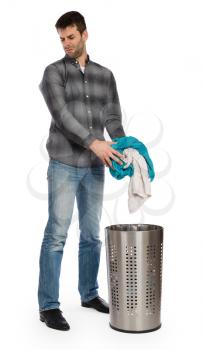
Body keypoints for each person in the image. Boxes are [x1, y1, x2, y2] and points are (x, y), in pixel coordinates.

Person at [38, 11, 126, 331]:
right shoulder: (53, 73)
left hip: (95, 167)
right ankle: (48, 305)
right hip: (63, 163)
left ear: (85, 35)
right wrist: (95, 143)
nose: (66, 44)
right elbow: (62, 116)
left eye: (71, 37)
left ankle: (89, 294)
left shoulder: (105, 75)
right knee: (56, 235)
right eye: (61, 38)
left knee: (91, 235)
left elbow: (113, 119)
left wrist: (123, 145)